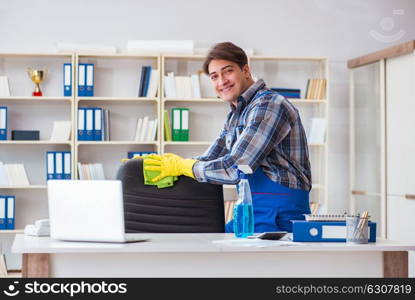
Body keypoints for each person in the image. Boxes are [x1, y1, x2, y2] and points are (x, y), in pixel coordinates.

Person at [144, 42, 312, 233]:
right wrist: (152, 165)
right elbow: (211, 157)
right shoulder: (236, 113)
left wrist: (185, 166)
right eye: (214, 77)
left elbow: (234, 168)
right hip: (251, 212)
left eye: (228, 71)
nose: (221, 81)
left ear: (246, 70)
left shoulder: (269, 105)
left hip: (279, 218)